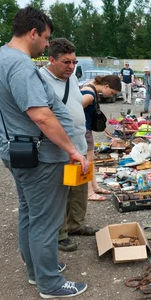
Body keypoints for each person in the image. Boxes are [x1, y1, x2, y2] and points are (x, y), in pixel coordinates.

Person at [0, 7, 89, 298]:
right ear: (32, 33)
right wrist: (73, 150)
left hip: (21, 151)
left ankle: (37, 272)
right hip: (39, 156)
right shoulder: (20, 65)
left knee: (30, 214)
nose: (47, 45)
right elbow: (42, 116)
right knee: (46, 219)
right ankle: (49, 283)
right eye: (45, 38)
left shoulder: (1, 58)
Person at [40, 38, 99, 252]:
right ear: (51, 59)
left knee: (78, 189)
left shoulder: (71, 78)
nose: (71, 67)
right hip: (59, 147)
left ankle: (76, 225)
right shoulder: (41, 79)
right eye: (66, 62)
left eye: (74, 62)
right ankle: (60, 232)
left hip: (79, 144)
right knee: (60, 192)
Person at [81, 75, 121, 201]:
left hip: (85, 128)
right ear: (106, 86)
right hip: (83, 129)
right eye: (112, 92)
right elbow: (73, 110)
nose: (111, 95)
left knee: (91, 160)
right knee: (87, 161)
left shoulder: (89, 86)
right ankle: (89, 192)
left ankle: (94, 187)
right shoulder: (90, 94)